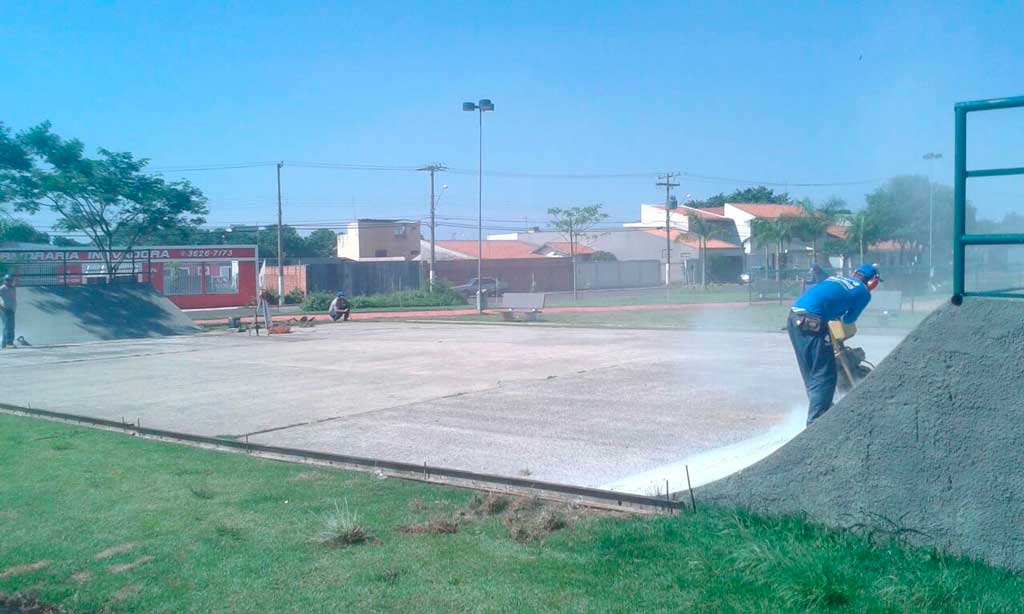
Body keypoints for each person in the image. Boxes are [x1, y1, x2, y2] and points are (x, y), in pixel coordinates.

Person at [788, 263, 880, 425]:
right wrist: (840, 315)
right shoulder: (863, 292)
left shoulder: (837, 279)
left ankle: (822, 408)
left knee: (811, 371)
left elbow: (825, 292)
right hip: (813, 322)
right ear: (872, 282)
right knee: (825, 374)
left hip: (794, 317)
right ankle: (817, 422)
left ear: (854, 273)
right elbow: (849, 319)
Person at [0, 274, 17, 350]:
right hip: (5, 310)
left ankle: (4, 343)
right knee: (8, 326)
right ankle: (9, 343)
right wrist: (1, 307)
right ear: (4, 281)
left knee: (9, 326)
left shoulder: (13, 288)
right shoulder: (2, 288)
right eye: (7, 280)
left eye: (10, 280)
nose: (9, 282)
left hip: (11, 310)